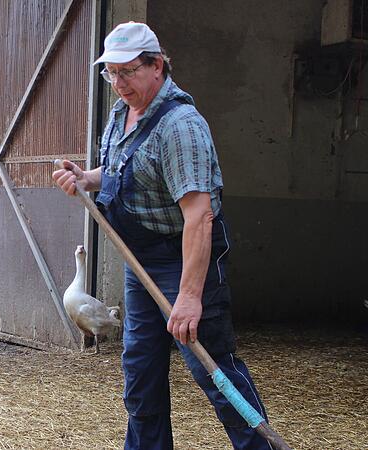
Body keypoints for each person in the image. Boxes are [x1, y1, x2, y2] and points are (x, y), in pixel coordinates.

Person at [52, 22, 272, 449]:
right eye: (111, 73)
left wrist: (189, 296)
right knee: (140, 368)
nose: (119, 83)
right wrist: (87, 178)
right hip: (141, 260)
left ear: (157, 66)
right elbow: (125, 170)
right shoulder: (123, 112)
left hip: (182, 258)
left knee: (211, 367)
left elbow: (199, 216)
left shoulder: (181, 126)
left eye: (128, 71)